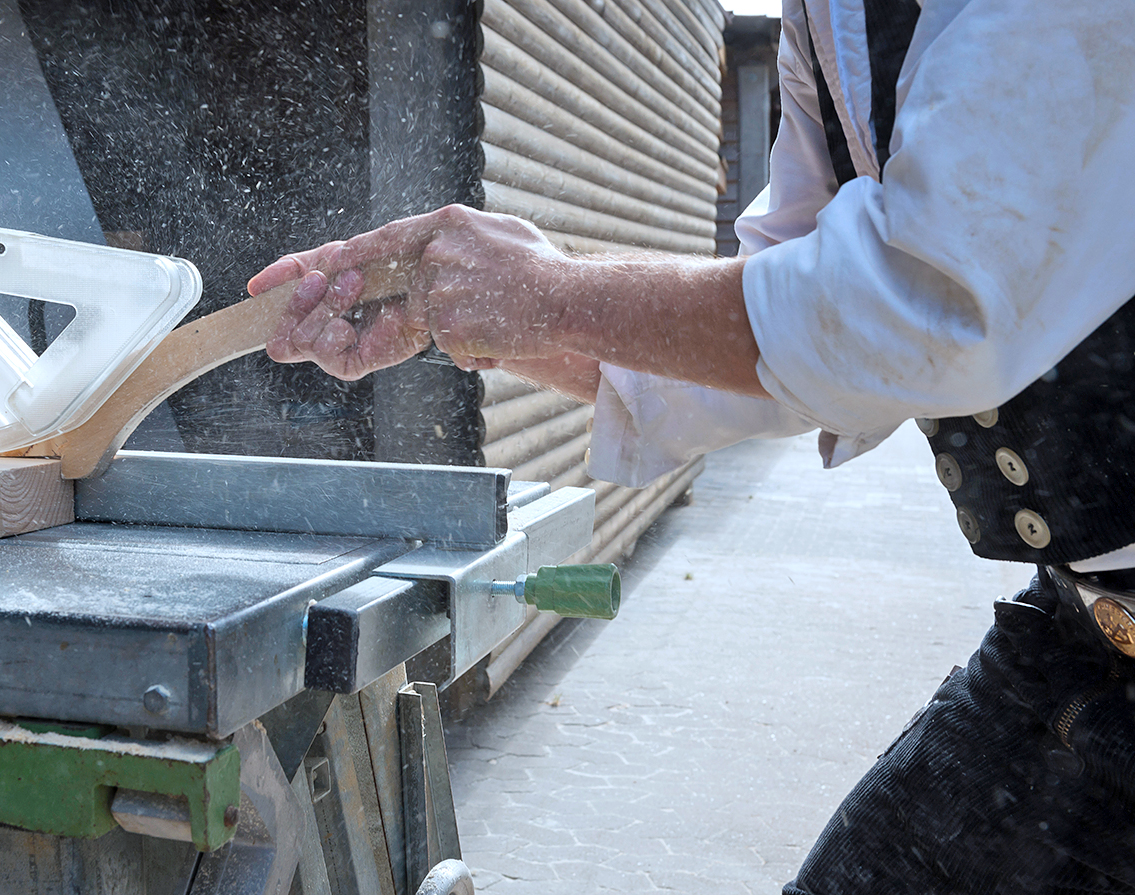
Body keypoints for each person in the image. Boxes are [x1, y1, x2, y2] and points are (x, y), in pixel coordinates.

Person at [249, 0, 1135, 891]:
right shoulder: (826, 21)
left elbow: (926, 305)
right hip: (1083, 636)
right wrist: (477, 311)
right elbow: (792, 309)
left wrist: (547, 292)